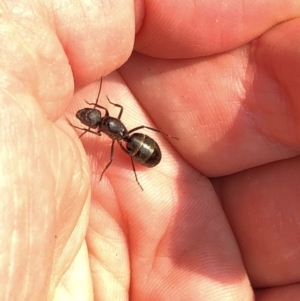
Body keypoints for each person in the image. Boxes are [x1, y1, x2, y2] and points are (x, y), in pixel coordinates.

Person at [1, 1, 299, 300]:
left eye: (88, 116)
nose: (87, 117)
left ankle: (150, 150)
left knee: (125, 150)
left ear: (98, 120)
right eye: (88, 117)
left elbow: (104, 123)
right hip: (132, 140)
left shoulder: (110, 129)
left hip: (135, 141)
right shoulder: (110, 122)